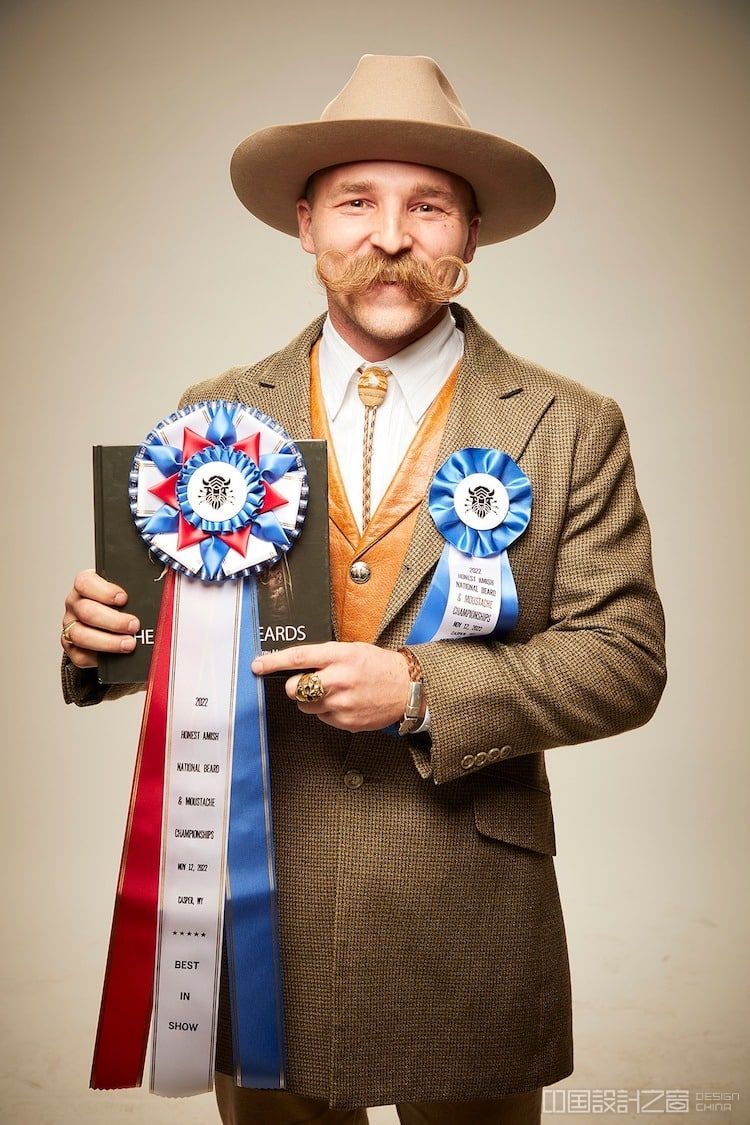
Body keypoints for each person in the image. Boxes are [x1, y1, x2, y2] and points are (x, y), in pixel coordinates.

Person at [60, 54, 667, 1125]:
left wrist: (423, 688)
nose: (392, 235)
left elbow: (624, 659)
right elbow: (183, 642)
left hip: (468, 910)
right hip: (255, 907)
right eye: (357, 202)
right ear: (306, 225)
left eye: (428, 206)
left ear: (470, 236)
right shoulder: (213, 407)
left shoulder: (571, 425)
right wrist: (101, 646)